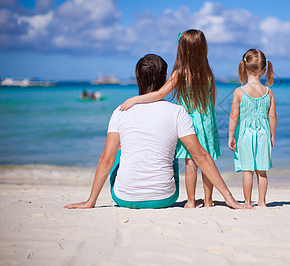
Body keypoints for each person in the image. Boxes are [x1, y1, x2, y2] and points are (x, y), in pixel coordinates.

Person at [64, 54, 242, 210]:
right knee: (171, 149)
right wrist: (229, 197)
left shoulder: (120, 111)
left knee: (118, 149)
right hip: (164, 198)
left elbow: (106, 160)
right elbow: (201, 157)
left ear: (137, 79)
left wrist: (90, 201)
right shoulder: (178, 111)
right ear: (165, 78)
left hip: (124, 198)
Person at [120, 30, 221, 208]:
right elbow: (211, 101)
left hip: (187, 122)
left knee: (190, 163)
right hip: (207, 121)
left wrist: (136, 99)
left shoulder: (179, 73)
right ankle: (208, 201)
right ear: (203, 49)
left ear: (182, 49)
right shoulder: (208, 73)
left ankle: (190, 201)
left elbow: (159, 94)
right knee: (206, 161)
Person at [228, 49, 277, 208]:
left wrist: (230, 135)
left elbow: (234, 116)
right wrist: (272, 135)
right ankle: (262, 202)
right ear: (264, 70)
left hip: (245, 135)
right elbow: (273, 117)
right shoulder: (268, 92)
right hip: (263, 133)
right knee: (262, 171)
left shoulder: (239, 92)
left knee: (247, 170)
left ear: (244, 68)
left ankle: (248, 202)